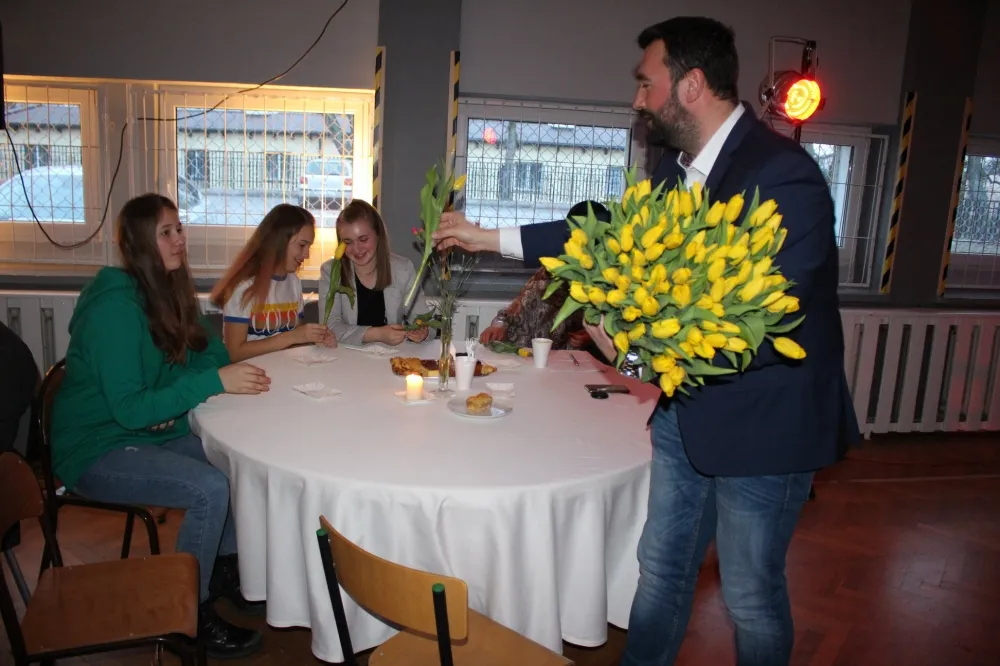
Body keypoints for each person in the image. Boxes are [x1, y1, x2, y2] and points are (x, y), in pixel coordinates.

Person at [433, 17, 860, 666]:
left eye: (645, 83)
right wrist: (487, 237)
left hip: (765, 425)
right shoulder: (670, 171)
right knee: (659, 569)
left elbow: (768, 327)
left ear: (691, 85)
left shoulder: (783, 174)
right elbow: (600, 231)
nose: (637, 99)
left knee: (749, 595)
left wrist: (635, 357)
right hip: (685, 414)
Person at [51, 193, 271, 659]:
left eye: (179, 228)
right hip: (96, 447)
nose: (179, 239)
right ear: (139, 245)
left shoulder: (166, 292)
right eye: (166, 232)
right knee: (208, 488)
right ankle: (190, 613)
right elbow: (131, 409)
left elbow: (210, 350)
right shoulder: (114, 310)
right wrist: (209, 383)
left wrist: (194, 382)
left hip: (141, 432)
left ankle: (220, 569)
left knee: (231, 460)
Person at [211, 203, 336, 362]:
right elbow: (233, 353)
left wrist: (315, 338)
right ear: (279, 241)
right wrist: (292, 337)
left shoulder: (293, 282)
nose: (306, 255)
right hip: (248, 371)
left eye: (309, 247)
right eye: (302, 245)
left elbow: (296, 338)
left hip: (283, 367)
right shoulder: (244, 287)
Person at [319, 199, 429, 346]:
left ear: (378, 235)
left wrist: (423, 331)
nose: (357, 249)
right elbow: (329, 326)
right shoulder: (330, 272)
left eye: (363, 239)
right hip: (346, 356)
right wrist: (377, 334)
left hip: (392, 356)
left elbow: (424, 319)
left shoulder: (403, 269)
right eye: (348, 242)